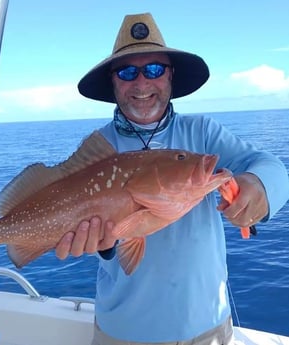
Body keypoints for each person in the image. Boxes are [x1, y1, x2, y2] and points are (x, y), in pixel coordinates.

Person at [55, 13, 289, 345]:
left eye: (153, 69)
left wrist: (260, 188)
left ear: (170, 76)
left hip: (207, 328)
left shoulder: (203, 134)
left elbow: (270, 165)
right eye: (126, 72)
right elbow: (96, 232)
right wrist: (104, 247)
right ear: (113, 82)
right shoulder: (98, 151)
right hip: (122, 332)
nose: (141, 84)